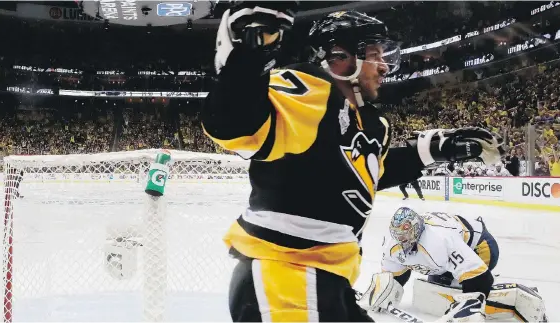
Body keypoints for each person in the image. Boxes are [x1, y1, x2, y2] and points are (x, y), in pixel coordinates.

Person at [202, 3, 505, 321]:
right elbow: (233, 125)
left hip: (329, 280)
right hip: (284, 276)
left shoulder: (373, 123)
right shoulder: (309, 87)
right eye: (375, 55)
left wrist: (437, 151)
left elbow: (367, 174)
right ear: (339, 58)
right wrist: (245, 60)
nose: (385, 66)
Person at [359, 207, 546, 322]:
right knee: (439, 288)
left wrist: (467, 309)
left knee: (468, 291)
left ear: (416, 229)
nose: (401, 239)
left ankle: (521, 297)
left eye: (405, 234)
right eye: (398, 235)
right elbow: (395, 273)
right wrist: (383, 290)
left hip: (481, 245)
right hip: (450, 245)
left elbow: (481, 279)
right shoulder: (392, 244)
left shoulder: (439, 240)